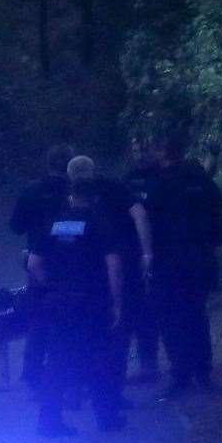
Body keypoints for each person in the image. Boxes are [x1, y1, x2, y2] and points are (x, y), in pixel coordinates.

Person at [27, 166, 127, 436]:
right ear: (93, 197)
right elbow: (113, 264)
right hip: (92, 302)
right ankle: (107, 418)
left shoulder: (55, 223)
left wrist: (50, 284)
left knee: (57, 362)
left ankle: (49, 422)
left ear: (71, 197)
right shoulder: (99, 222)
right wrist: (116, 300)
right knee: (101, 360)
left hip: (60, 302)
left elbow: (34, 262)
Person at [146, 130, 222, 397]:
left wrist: (148, 255)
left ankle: (180, 374)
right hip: (200, 258)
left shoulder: (162, 183)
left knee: (171, 319)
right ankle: (203, 372)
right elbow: (217, 207)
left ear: (163, 153)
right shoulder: (200, 178)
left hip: (170, 261)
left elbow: (150, 221)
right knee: (197, 315)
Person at [67, 155, 152, 393]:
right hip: (122, 262)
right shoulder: (114, 187)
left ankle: (79, 384)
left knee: (78, 328)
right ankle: (112, 385)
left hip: (81, 273)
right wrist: (146, 253)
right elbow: (140, 215)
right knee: (120, 324)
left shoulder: (69, 200)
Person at [9, 144, 73, 385]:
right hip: (71, 262)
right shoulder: (74, 192)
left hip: (37, 260)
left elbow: (16, 227)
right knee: (68, 320)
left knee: (37, 320)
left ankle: (32, 373)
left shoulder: (32, 191)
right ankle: (67, 375)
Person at [122, 137, 163, 382]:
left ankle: (150, 363)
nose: (139, 155)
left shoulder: (161, 179)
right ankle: (137, 362)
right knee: (134, 309)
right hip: (132, 254)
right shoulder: (127, 181)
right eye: (135, 150)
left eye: (143, 150)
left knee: (151, 311)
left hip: (160, 251)